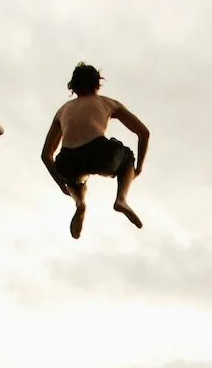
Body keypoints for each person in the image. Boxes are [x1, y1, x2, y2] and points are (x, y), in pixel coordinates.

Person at [40, 63, 150, 239]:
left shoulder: (62, 110)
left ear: (73, 87)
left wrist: (62, 182)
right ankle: (121, 199)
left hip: (68, 160)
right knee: (127, 156)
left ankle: (79, 203)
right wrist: (138, 168)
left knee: (76, 180)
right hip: (99, 152)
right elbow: (143, 133)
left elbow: (46, 155)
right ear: (97, 85)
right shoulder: (107, 102)